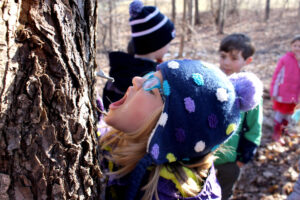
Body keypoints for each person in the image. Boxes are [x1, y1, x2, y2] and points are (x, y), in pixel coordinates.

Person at [99, 59, 263, 200]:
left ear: (166, 132)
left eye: (151, 87)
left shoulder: (165, 193)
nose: (137, 80)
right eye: (149, 75)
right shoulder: (120, 140)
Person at [214, 33, 264, 200]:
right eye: (223, 56)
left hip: (230, 161)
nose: (226, 62)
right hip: (205, 157)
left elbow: (254, 128)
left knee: (223, 193)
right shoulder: (212, 81)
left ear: (247, 61)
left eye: (234, 58)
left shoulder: (250, 92)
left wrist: (243, 158)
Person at [102, 0, 176, 110]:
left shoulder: (119, 69)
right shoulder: (154, 77)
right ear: (156, 44)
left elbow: (107, 103)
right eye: (168, 42)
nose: (169, 46)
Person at [270, 35, 300, 144]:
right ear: (291, 46)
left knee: (289, 113)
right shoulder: (285, 59)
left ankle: (284, 130)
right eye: (295, 45)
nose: (297, 48)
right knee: (280, 113)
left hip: (295, 95)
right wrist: (274, 91)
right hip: (283, 93)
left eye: (299, 46)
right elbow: (277, 76)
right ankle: (276, 133)